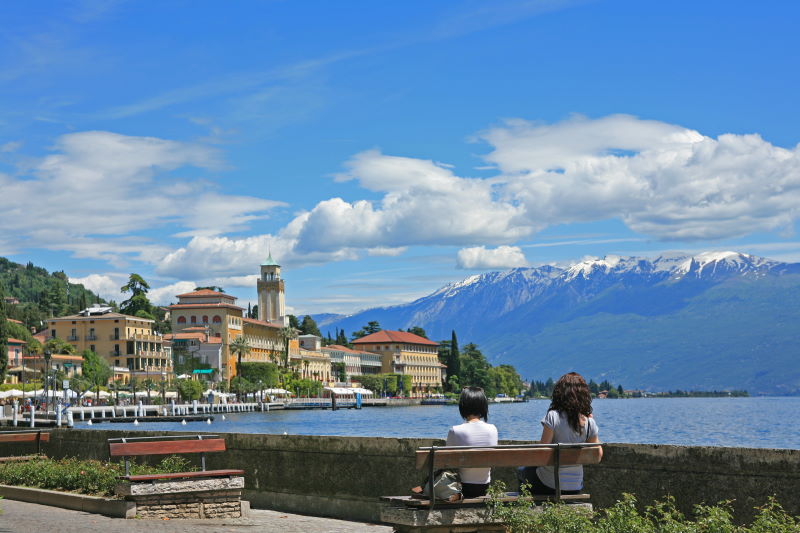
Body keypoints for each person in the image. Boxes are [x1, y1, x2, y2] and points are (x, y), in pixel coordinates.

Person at [519, 372, 602, 495]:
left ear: (560, 394)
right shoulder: (590, 423)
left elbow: (541, 453)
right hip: (575, 487)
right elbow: (598, 455)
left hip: (550, 484)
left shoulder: (553, 416)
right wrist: (591, 422)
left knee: (522, 471)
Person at [446, 386, 499, 498]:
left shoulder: (455, 430)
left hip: (461, 488)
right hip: (485, 487)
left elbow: (447, 462)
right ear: (483, 405)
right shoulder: (493, 429)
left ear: (463, 406)